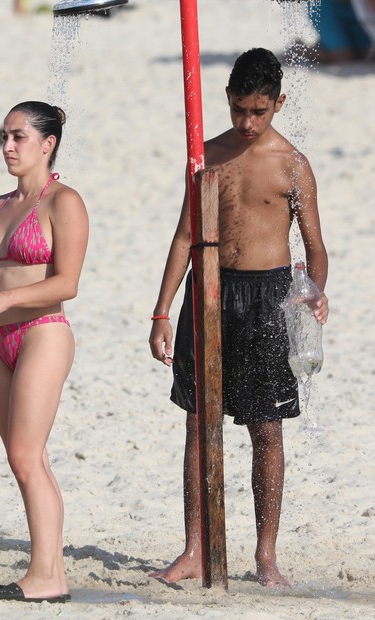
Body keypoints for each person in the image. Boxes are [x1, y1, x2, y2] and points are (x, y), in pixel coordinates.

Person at [148, 48, 329, 587]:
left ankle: (266, 554)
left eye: (259, 111)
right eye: (239, 111)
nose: (248, 123)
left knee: (266, 429)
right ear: (226, 100)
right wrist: (161, 311)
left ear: (278, 103)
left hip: (269, 296)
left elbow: (316, 248)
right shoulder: (207, 156)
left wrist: (315, 292)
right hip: (209, 292)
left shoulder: (292, 164)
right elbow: (184, 235)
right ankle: (193, 549)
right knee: (198, 424)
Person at [0, 101, 89, 603]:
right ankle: (49, 573)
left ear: (47, 144)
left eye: (18, 138)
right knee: (25, 460)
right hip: (0, 339)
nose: (8, 147)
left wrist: (4, 297)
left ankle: (45, 574)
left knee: (25, 453)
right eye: (5, 137)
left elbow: (67, 283)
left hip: (42, 332)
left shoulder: (64, 203)